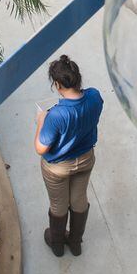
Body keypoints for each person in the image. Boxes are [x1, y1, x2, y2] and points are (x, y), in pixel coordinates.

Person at [35, 55, 104, 257]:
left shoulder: (56, 115)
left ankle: (57, 244)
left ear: (57, 84)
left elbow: (41, 147)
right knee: (79, 199)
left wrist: (41, 119)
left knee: (59, 204)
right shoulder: (94, 96)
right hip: (85, 159)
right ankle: (75, 243)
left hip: (58, 168)